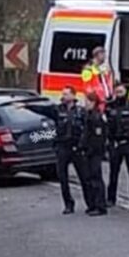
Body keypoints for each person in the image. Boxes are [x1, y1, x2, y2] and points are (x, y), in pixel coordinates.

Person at [105, 82, 129, 207]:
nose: (119, 94)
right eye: (117, 92)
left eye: (121, 92)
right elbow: (105, 124)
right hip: (115, 143)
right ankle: (111, 198)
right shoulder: (109, 107)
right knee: (113, 173)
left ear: (125, 92)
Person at [53, 86, 86, 214]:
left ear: (73, 96)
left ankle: (90, 202)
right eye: (63, 94)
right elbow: (43, 110)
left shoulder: (80, 111)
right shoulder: (58, 110)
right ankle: (68, 204)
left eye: (66, 94)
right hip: (62, 146)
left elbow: (86, 129)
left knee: (83, 176)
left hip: (76, 147)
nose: (64, 96)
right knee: (63, 178)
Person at [78, 91, 108, 216]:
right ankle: (93, 204)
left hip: (94, 152)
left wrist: (90, 149)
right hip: (87, 151)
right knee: (89, 178)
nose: (85, 104)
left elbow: (98, 137)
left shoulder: (96, 117)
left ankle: (100, 205)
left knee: (96, 178)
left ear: (93, 102)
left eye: (87, 101)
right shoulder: (88, 115)